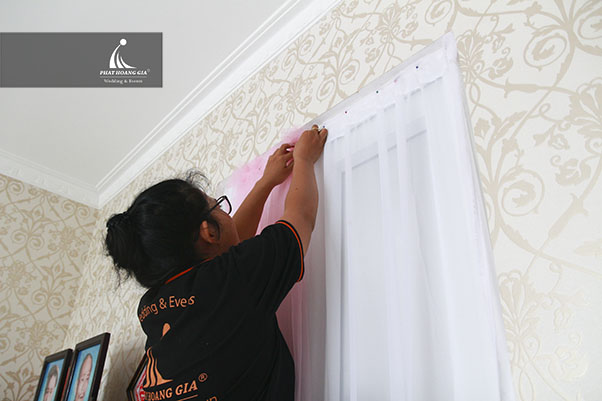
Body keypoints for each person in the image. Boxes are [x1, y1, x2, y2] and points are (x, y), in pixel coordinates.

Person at [105, 125, 327, 401]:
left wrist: (265, 183)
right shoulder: (230, 282)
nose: (225, 213)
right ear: (208, 231)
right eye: (218, 206)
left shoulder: (152, 308)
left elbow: (227, 253)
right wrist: (304, 159)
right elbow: (300, 218)